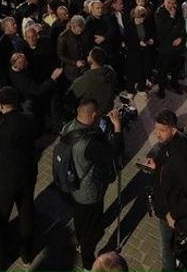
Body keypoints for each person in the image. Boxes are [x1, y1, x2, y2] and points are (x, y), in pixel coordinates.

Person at [59, 98, 125, 270]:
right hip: (89, 192)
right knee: (91, 228)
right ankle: (88, 260)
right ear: (94, 115)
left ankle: (81, 241)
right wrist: (117, 126)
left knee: (80, 219)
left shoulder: (69, 127)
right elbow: (113, 152)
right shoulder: (89, 143)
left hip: (73, 185)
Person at [0, 86, 39, 267]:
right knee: (26, 214)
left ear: (0, 105)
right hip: (26, 177)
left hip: (3, 183)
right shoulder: (30, 119)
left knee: (0, 222)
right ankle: (27, 253)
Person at [145, 110, 187, 271]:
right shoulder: (169, 145)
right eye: (156, 129)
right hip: (168, 209)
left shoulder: (180, 155)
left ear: (174, 129)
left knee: (176, 252)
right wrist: (156, 168)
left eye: (162, 130)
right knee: (177, 250)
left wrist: (173, 214)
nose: (157, 134)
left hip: (174, 214)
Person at [154, 0, 186, 98]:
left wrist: (180, 38)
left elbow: (182, 27)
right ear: (164, 1)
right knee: (163, 69)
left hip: (176, 46)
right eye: (168, 2)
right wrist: (172, 18)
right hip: (165, 46)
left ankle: (174, 84)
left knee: (175, 67)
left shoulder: (177, 11)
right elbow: (163, 31)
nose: (170, 5)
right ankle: (161, 89)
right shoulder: (160, 13)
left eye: (173, 3)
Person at [70, 46, 119, 114]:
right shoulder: (111, 72)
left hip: (90, 114)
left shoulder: (85, 80)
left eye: (89, 55)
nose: (87, 56)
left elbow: (71, 95)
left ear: (93, 60)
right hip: (107, 110)